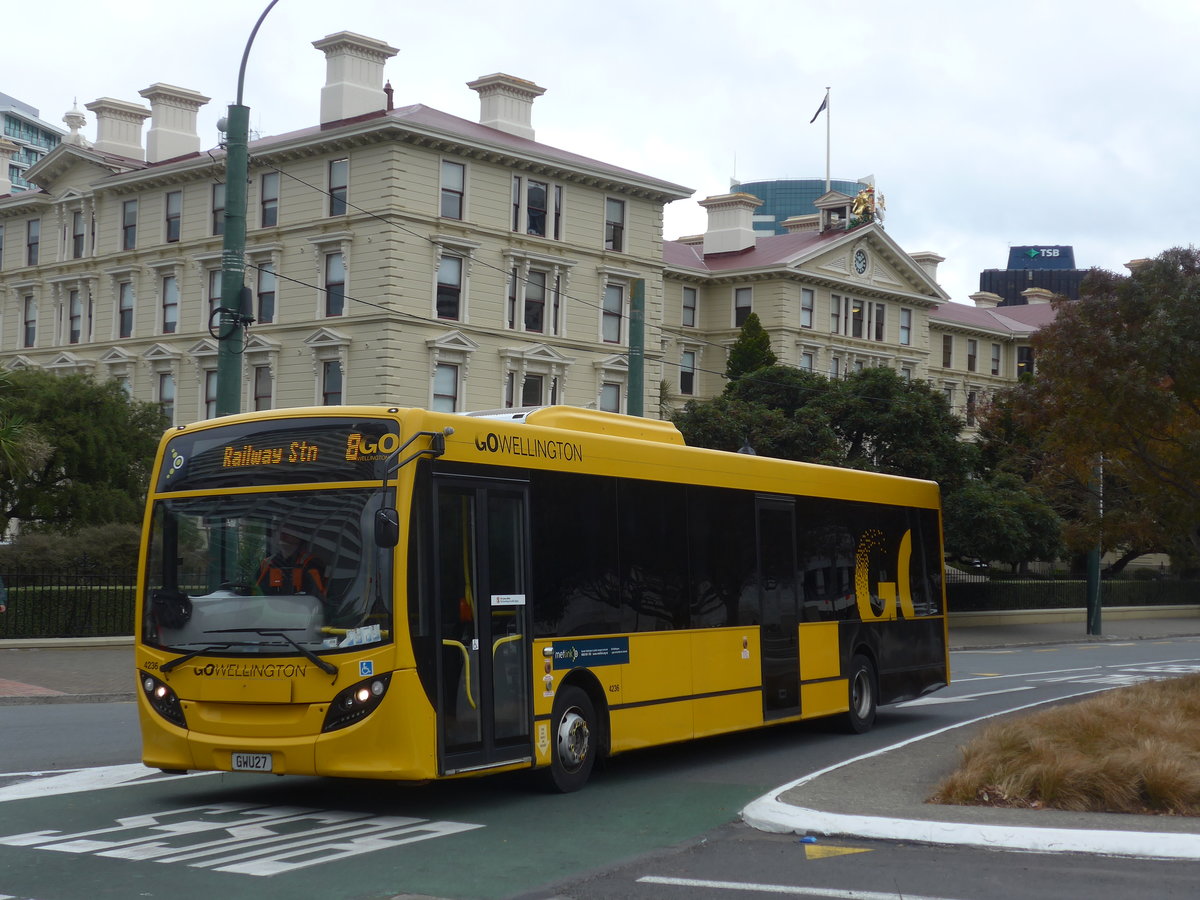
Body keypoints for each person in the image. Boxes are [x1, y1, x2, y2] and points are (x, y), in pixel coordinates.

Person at [256, 527, 327, 597]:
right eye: (278, 529)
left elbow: (318, 598)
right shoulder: (267, 564)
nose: (282, 533)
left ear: (300, 535)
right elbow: (256, 594)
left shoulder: (311, 563)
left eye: (288, 528)